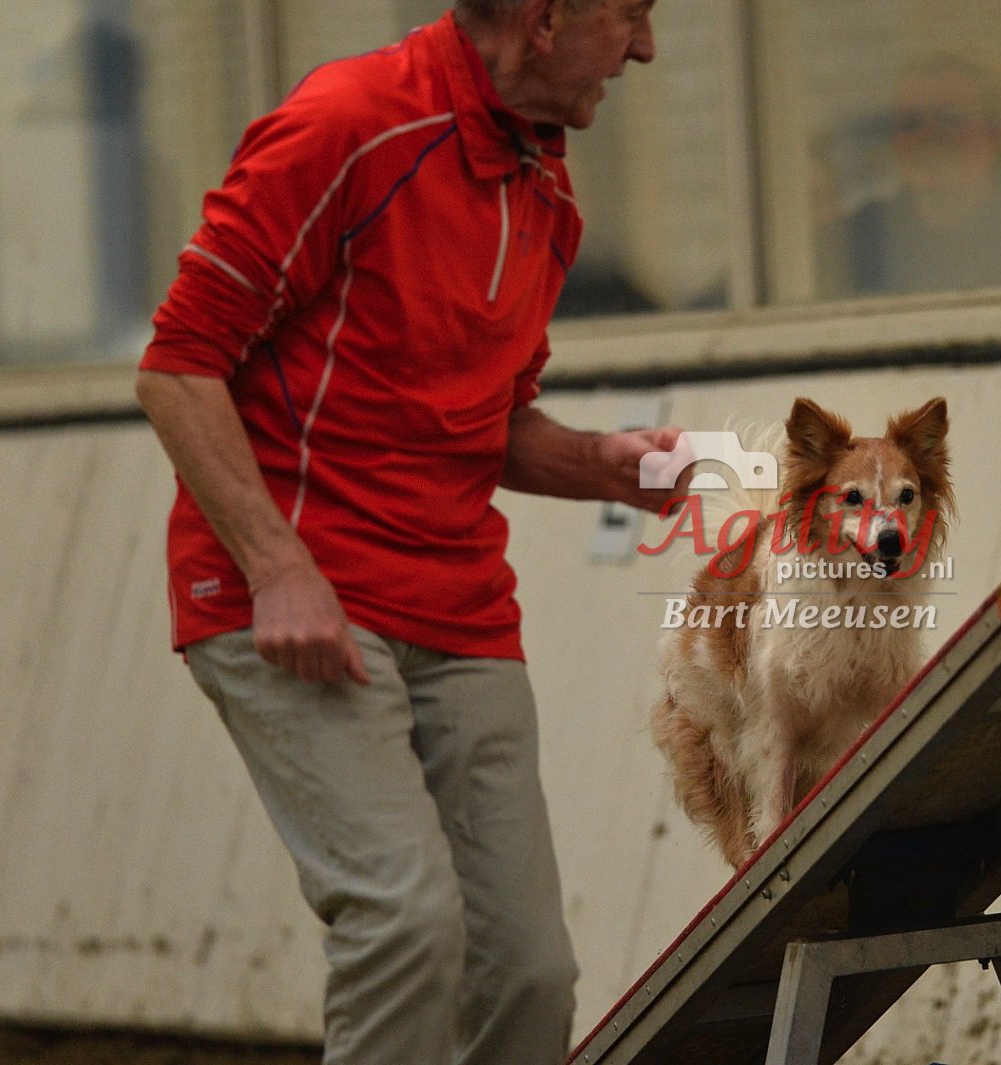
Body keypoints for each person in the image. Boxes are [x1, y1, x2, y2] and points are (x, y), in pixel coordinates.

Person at [133, 2, 675, 1063]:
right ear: (546, 18)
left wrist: (599, 462)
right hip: (297, 601)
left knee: (527, 972)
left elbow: (485, 421)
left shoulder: (546, 192)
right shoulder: (350, 122)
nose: (647, 49)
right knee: (405, 920)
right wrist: (278, 568)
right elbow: (178, 367)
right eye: (633, 14)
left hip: (458, 610)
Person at [820, 54, 1001, 297]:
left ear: (995, 132)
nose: (928, 137)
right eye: (910, 123)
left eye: (952, 119)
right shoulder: (853, 241)